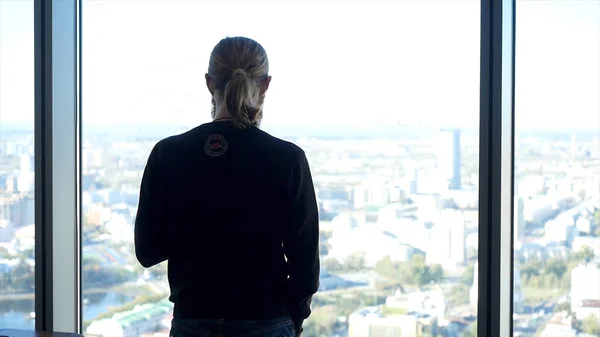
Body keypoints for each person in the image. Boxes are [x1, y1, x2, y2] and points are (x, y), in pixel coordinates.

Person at [134, 36, 320, 337]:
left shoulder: (167, 154)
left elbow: (147, 251)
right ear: (266, 84)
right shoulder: (288, 159)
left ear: (209, 83)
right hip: (267, 321)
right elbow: (305, 266)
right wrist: (291, 321)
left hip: (192, 320)